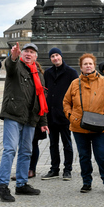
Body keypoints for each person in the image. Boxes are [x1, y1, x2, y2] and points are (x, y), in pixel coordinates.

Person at [0, 42, 49, 203]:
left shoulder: (39, 74)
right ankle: (2, 186)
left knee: (26, 151)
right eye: (26, 51)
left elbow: (42, 98)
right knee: (10, 149)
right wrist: (13, 56)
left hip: (31, 118)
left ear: (36, 56)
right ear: (21, 53)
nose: (28, 54)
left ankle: (21, 184)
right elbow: (9, 66)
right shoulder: (16, 66)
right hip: (13, 114)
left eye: (32, 52)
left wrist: (43, 121)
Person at [63, 53, 104, 194]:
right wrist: (71, 116)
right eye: (85, 64)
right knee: (84, 156)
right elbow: (66, 102)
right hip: (79, 127)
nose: (88, 66)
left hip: (100, 126)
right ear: (81, 67)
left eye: (90, 63)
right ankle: (86, 182)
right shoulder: (75, 83)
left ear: (94, 65)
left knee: (102, 156)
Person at [41, 48, 78, 181]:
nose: (55, 58)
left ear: (61, 56)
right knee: (53, 144)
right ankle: (54, 169)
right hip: (51, 114)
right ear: (50, 59)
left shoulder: (71, 73)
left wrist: (71, 112)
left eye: (57, 55)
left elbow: (76, 94)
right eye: (52, 56)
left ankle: (67, 170)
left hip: (65, 115)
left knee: (67, 143)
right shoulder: (48, 73)